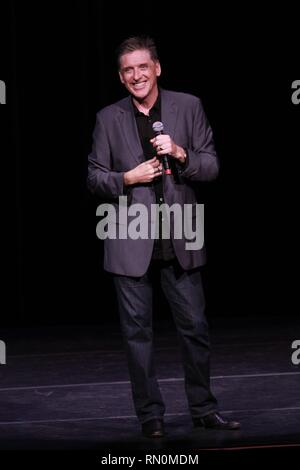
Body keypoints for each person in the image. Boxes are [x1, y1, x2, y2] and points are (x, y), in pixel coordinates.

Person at [87, 35, 240, 438]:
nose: (136, 75)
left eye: (142, 67)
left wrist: (182, 153)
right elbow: (93, 177)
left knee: (195, 328)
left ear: (157, 68)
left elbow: (211, 167)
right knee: (138, 335)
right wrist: (126, 177)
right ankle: (150, 416)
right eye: (127, 70)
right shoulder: (107, 118)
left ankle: (204, 409)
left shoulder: (188, 106)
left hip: (180, 237)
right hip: (129, 240)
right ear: (121, 78)